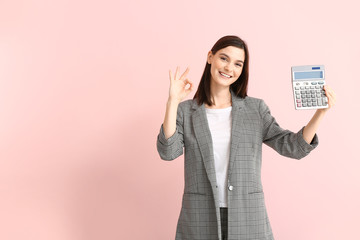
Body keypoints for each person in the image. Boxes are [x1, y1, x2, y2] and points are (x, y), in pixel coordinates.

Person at [156, 35, 336, 240]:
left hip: (248, 216)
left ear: (242, 70)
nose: (229, 68)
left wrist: (320, 113)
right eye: (224, 58)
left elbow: (292, 147)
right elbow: (168, 152)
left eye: (237, 64)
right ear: (210, 57)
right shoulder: (185, 111)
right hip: (199, 218)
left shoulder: (255, 109)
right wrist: (172, 101)